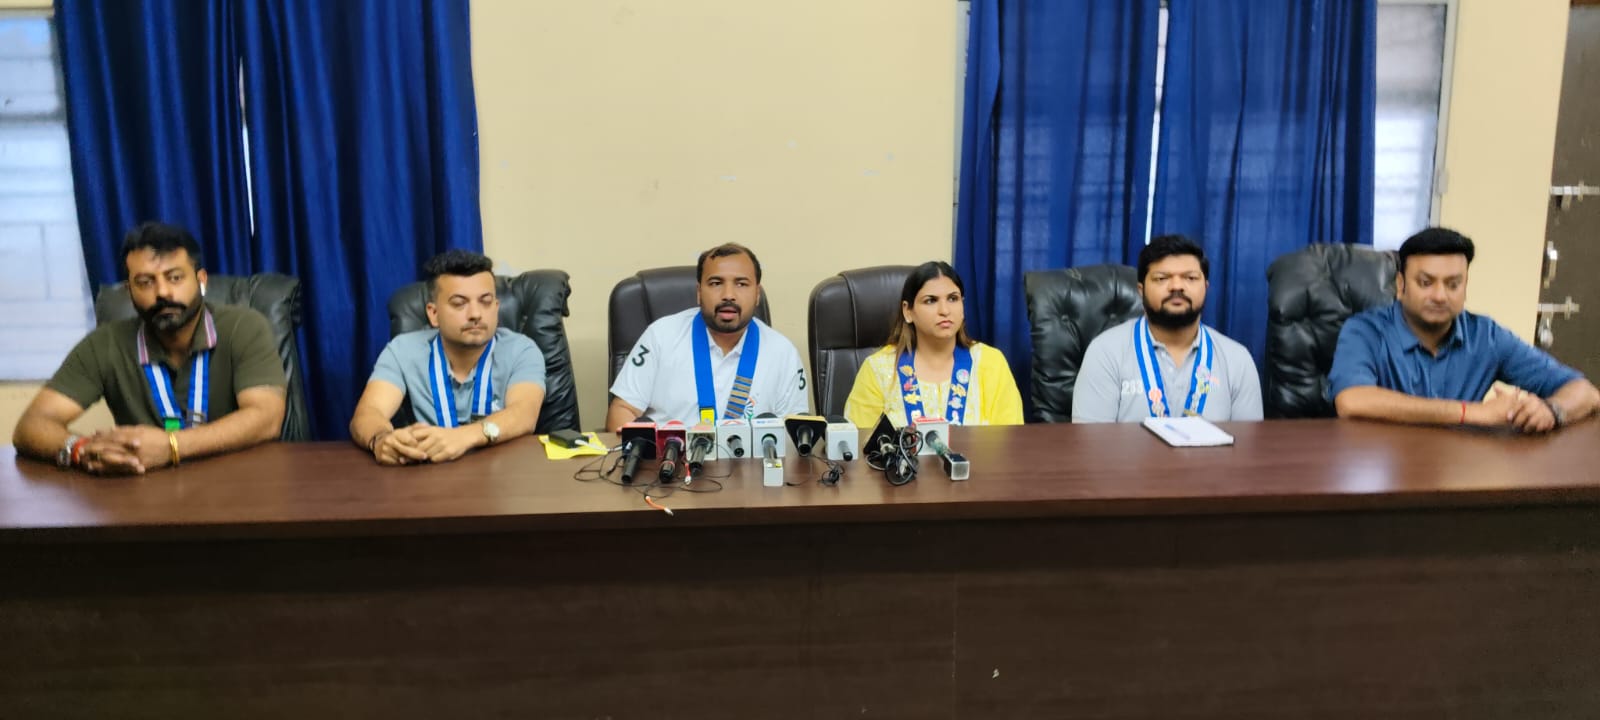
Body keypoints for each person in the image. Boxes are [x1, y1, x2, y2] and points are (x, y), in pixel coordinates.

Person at [11, 222, 286, 474]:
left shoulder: (244, 327)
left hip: (239, 483)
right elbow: (31, 426)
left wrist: (172, 446)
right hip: (144, 491)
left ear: (201, 280)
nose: (162, 292)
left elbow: (267, 418)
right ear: (129, 290)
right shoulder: (105, 343)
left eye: (175, 278)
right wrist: (80, 449)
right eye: (145, 282)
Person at [1330, 227, 1598, 431]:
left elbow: (1586, 393)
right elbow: (1352, 401)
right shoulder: (1365, 330)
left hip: (1457, 472)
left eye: (1453, 284)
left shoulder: (1486, 336)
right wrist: (1469, 412)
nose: (1440, 296)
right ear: (1401, 285)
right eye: (1426, 283)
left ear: (1465, 286)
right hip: (1384, 471)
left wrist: (1552, 411)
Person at [350, 250, 547, 465]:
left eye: (485, 301)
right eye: (459, 303)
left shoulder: (522, 350)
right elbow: (368, 413)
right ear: (433, 314)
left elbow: (524, 413)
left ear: (496, 308)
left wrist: (464, 436)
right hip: (428, 472)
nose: (475, 314)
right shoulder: (402, 350)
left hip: (502, 473)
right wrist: (381, 440)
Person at [607, 243, 809, 431]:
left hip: (752, 458)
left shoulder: (783, 353)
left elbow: (795, 435)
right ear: (699, 292)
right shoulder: (660, 337)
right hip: (669, 456)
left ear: (757, 294)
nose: (728, 295)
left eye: (741, 284)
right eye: (715, 283)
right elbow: (622, 411)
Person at [1073, 235, 1262, 423]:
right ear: (1141, 290)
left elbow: (1249, 441)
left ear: (1205, 287)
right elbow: (1089, 440)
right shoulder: (1105, 353)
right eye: (1162, 278)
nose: (1176, 286)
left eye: (1190, 278)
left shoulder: (1238, 360)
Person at [843, 261, 1023, 428]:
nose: (944, 310)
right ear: (908, 311)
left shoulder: (991, 363)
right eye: (931, 300)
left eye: (953, 299)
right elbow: (859, 444)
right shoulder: (878, 369)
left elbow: (1011, 441)